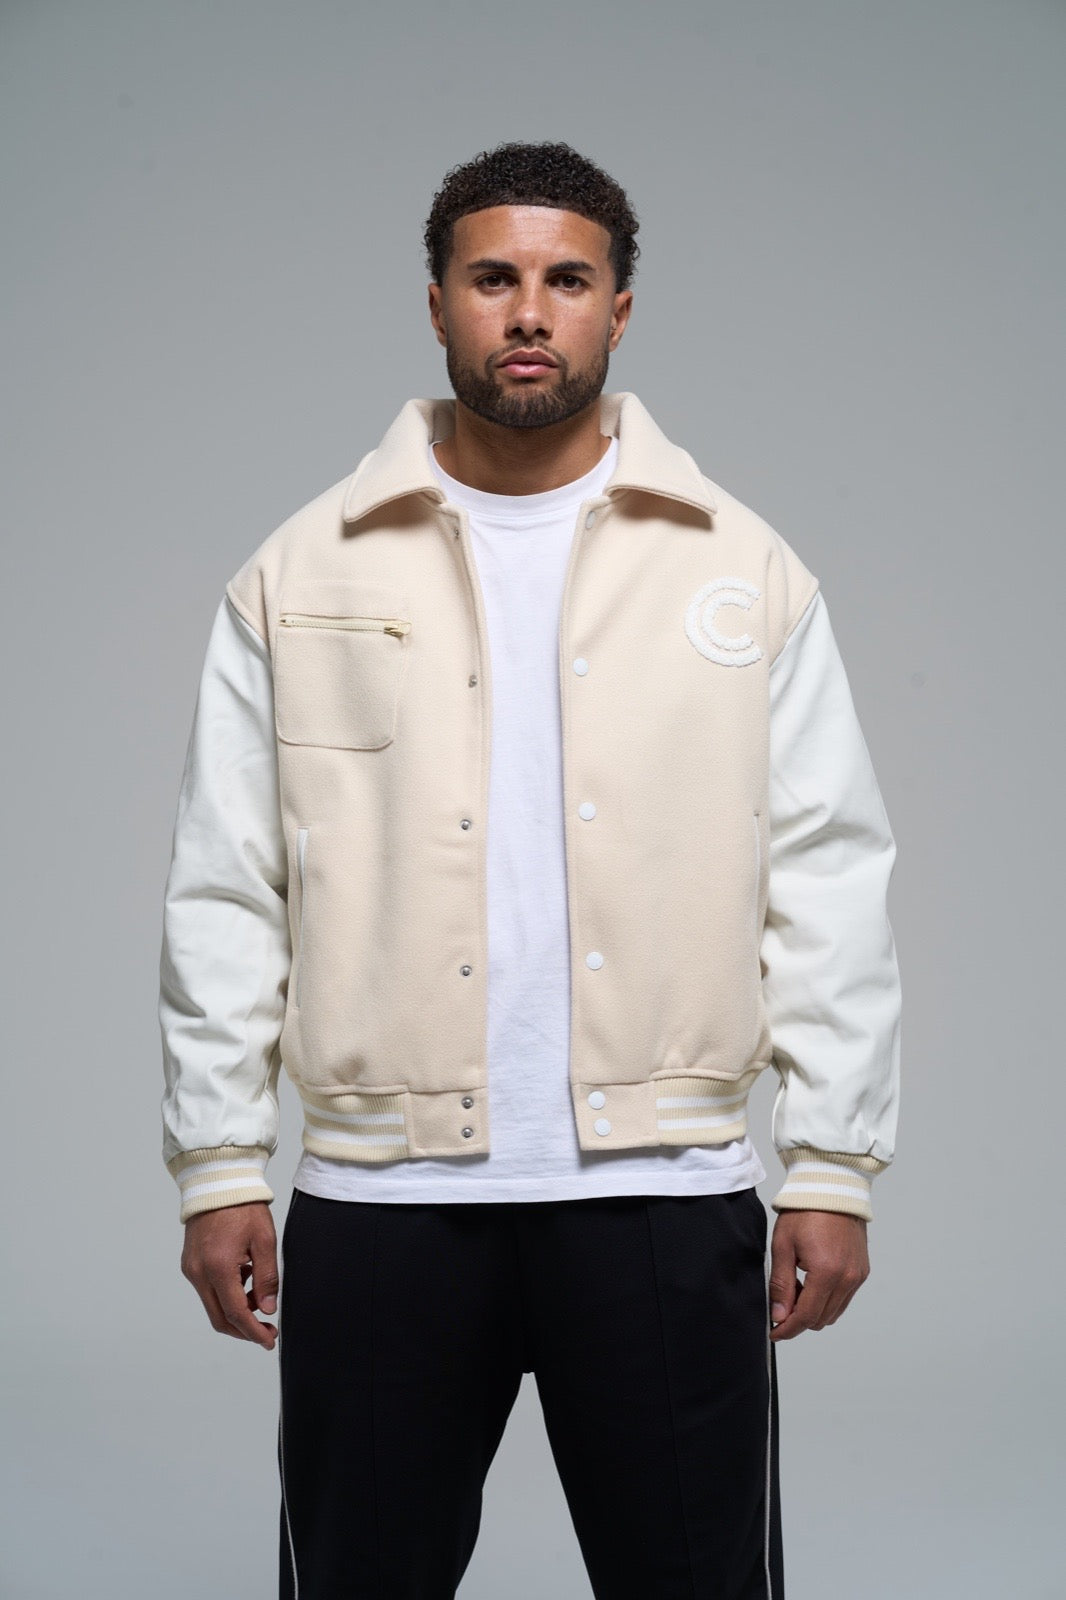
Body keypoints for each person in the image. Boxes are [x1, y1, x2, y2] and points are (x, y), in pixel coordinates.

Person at [159, 141, 902, 1600]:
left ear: (617, 311)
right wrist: (218, 1163)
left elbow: (824, 869)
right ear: (437, 303)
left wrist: (831, 1165)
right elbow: (226, 884)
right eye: (492, 277)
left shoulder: (740, 569)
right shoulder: (299, 572)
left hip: (666, 1196)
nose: (527, 312)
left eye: (567, 281)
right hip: (382, 1205)